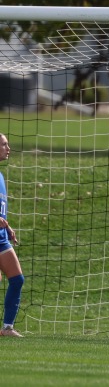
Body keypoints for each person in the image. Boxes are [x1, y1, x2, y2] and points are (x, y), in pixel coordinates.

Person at [0, 133, 24, 338]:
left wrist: (7, 226)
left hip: (1, 238)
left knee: (17, 279)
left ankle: (7, 328)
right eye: (4, 145)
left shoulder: (0, 176)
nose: (8, 148)